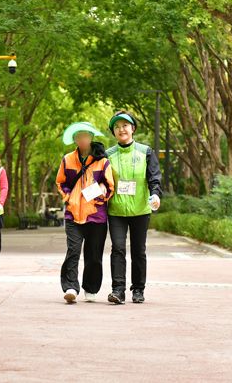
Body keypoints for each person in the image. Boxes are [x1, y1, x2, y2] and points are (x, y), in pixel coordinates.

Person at [105, 110, 162, 305]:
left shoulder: (146, 152)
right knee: (118, 248)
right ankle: (118, 290)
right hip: (116, 210)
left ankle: (138, 289)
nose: (121, 129)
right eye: (117, 127)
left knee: (138, 250)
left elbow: (154, 177)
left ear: (133, 128)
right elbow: (102, 180)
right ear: (114, 132)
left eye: (125, 126)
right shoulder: (108, 155)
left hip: (140, 210)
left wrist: (155, 194)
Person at [55, 122, 114, 304]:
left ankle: (91, 288)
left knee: (94, 255)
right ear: (75, 139)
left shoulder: (102, 161)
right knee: (73, 251)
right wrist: (68, 197)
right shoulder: (67, 159)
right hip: (73, 214)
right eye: (79, 136)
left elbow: (110, 185)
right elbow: (61, 182)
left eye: (86, 136)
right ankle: (71, 287)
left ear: (91, 137)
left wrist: (102, 192)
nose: (83, 139)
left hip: (96, 215)